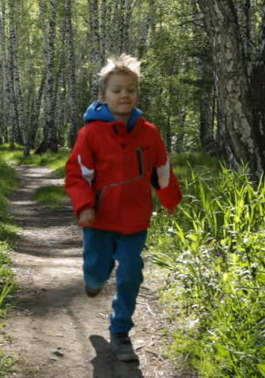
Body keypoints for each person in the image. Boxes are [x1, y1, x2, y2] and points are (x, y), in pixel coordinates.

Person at [65, 53, 183, 362]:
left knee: (131, 272)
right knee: (97, 270)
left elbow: (162, 169)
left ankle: (120, 331)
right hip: (99, 220)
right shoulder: (90, 134)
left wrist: (171, 200)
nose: (124, 95)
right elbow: (78, 174)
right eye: (117, 90)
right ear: (103, 97)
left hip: (135, 220)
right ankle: (93, 280)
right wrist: (85, 206)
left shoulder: (149, 133)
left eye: (130, 89)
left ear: (137, 94)